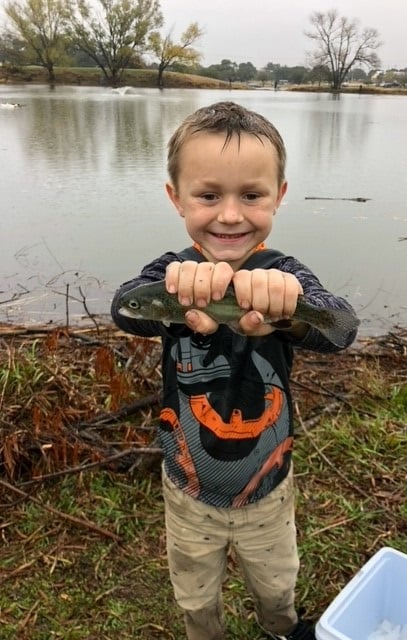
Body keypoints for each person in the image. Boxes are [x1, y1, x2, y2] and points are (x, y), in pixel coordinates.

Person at [111, 101, 358, 640]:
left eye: (251, 195)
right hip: (187, 490)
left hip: (268, 488)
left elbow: (339, 328)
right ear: (175, 198)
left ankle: (282, 630)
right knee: (195, 597)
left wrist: (288, 315)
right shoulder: (169, 277)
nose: (229, 215)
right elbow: (127, 308)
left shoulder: (285, 274)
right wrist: (178, 287)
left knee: (276, 587)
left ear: (280, 196)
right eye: (207, 195)